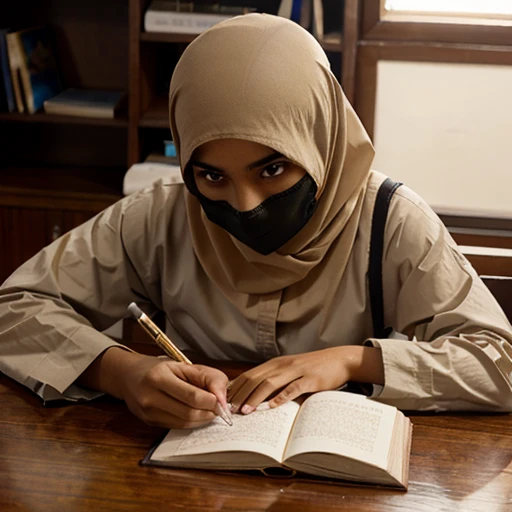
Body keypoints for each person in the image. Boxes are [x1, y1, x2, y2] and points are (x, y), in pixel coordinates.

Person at [1, 14, 512, 429]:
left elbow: (500, 365)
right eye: (212, 176)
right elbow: (13, 309)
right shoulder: (161, 215)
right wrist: (122, 371)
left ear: (320, 141)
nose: (245, 205)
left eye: (272, 168)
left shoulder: (390, 220)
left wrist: (354, 361)